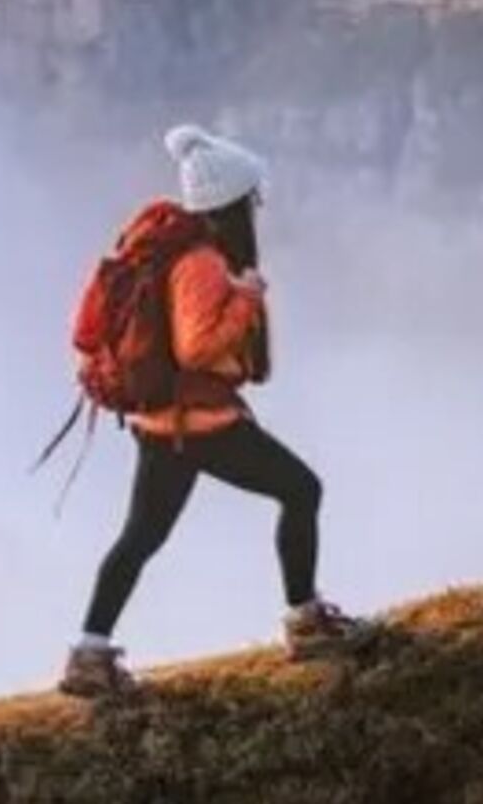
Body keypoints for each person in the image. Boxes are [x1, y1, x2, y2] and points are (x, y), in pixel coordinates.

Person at [61, 126, 367, 699]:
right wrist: (246, 297)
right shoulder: (201, 261)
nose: (256, 208)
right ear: (232, 203)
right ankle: (306, 621)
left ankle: (89, 654)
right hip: (201, 426)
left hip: (163, 426)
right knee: (301, 490)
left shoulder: (178, 250)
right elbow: (197, 348)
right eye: (251, 198)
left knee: (140, 537)